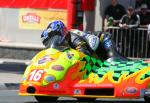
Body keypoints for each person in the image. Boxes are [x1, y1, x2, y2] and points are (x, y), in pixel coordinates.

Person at [41, 20, 126, 61]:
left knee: (113, 59)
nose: (55, 39)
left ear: (62, 32)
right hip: (94, 52)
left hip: (103, 39)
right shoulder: (60, 44)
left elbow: (85, 54)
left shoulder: (73, 37)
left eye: (56, 35)